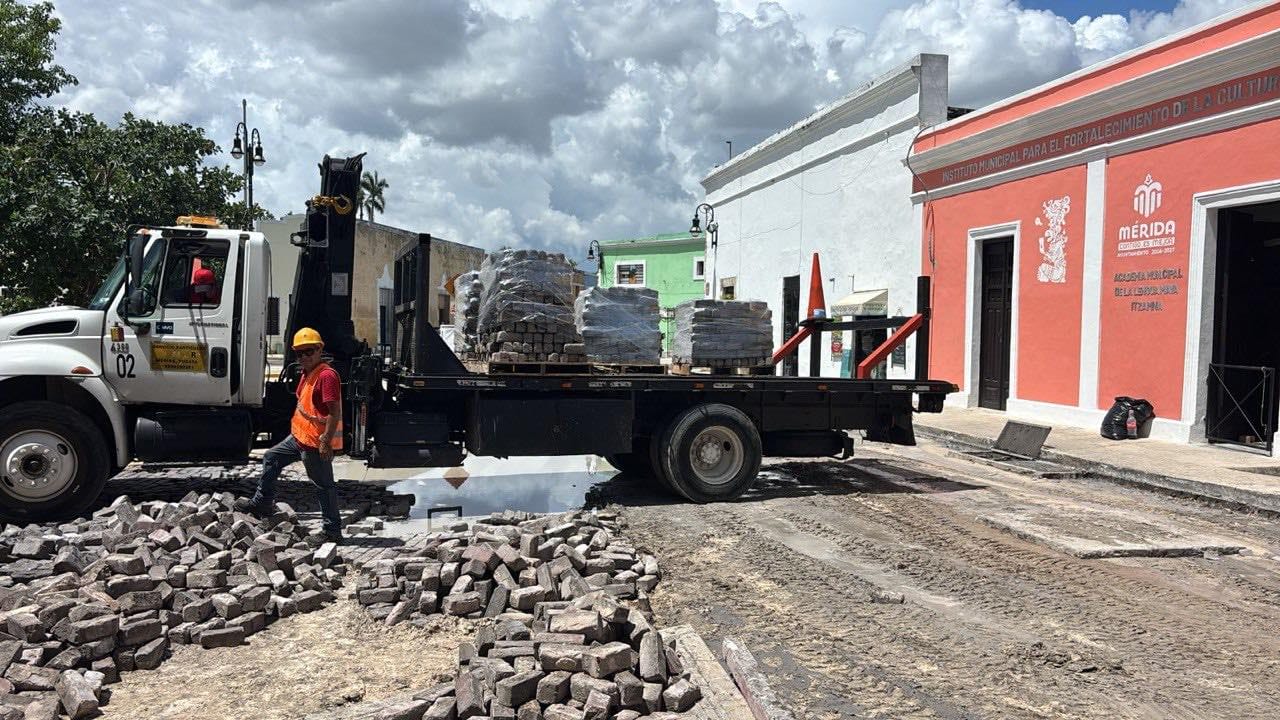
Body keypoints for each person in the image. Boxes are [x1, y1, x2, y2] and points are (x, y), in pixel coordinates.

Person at [236, 327, 343, 543]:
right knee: (272, 457)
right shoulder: (308, 372)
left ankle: (332, 531)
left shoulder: (326, 376)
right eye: (299, 353)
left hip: (314, 442)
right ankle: (262, 503)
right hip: (299, 437)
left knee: (323, 485)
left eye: (309, 351)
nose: (304, 357)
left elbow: (334, 412)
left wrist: (325, 441)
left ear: (320, 349)